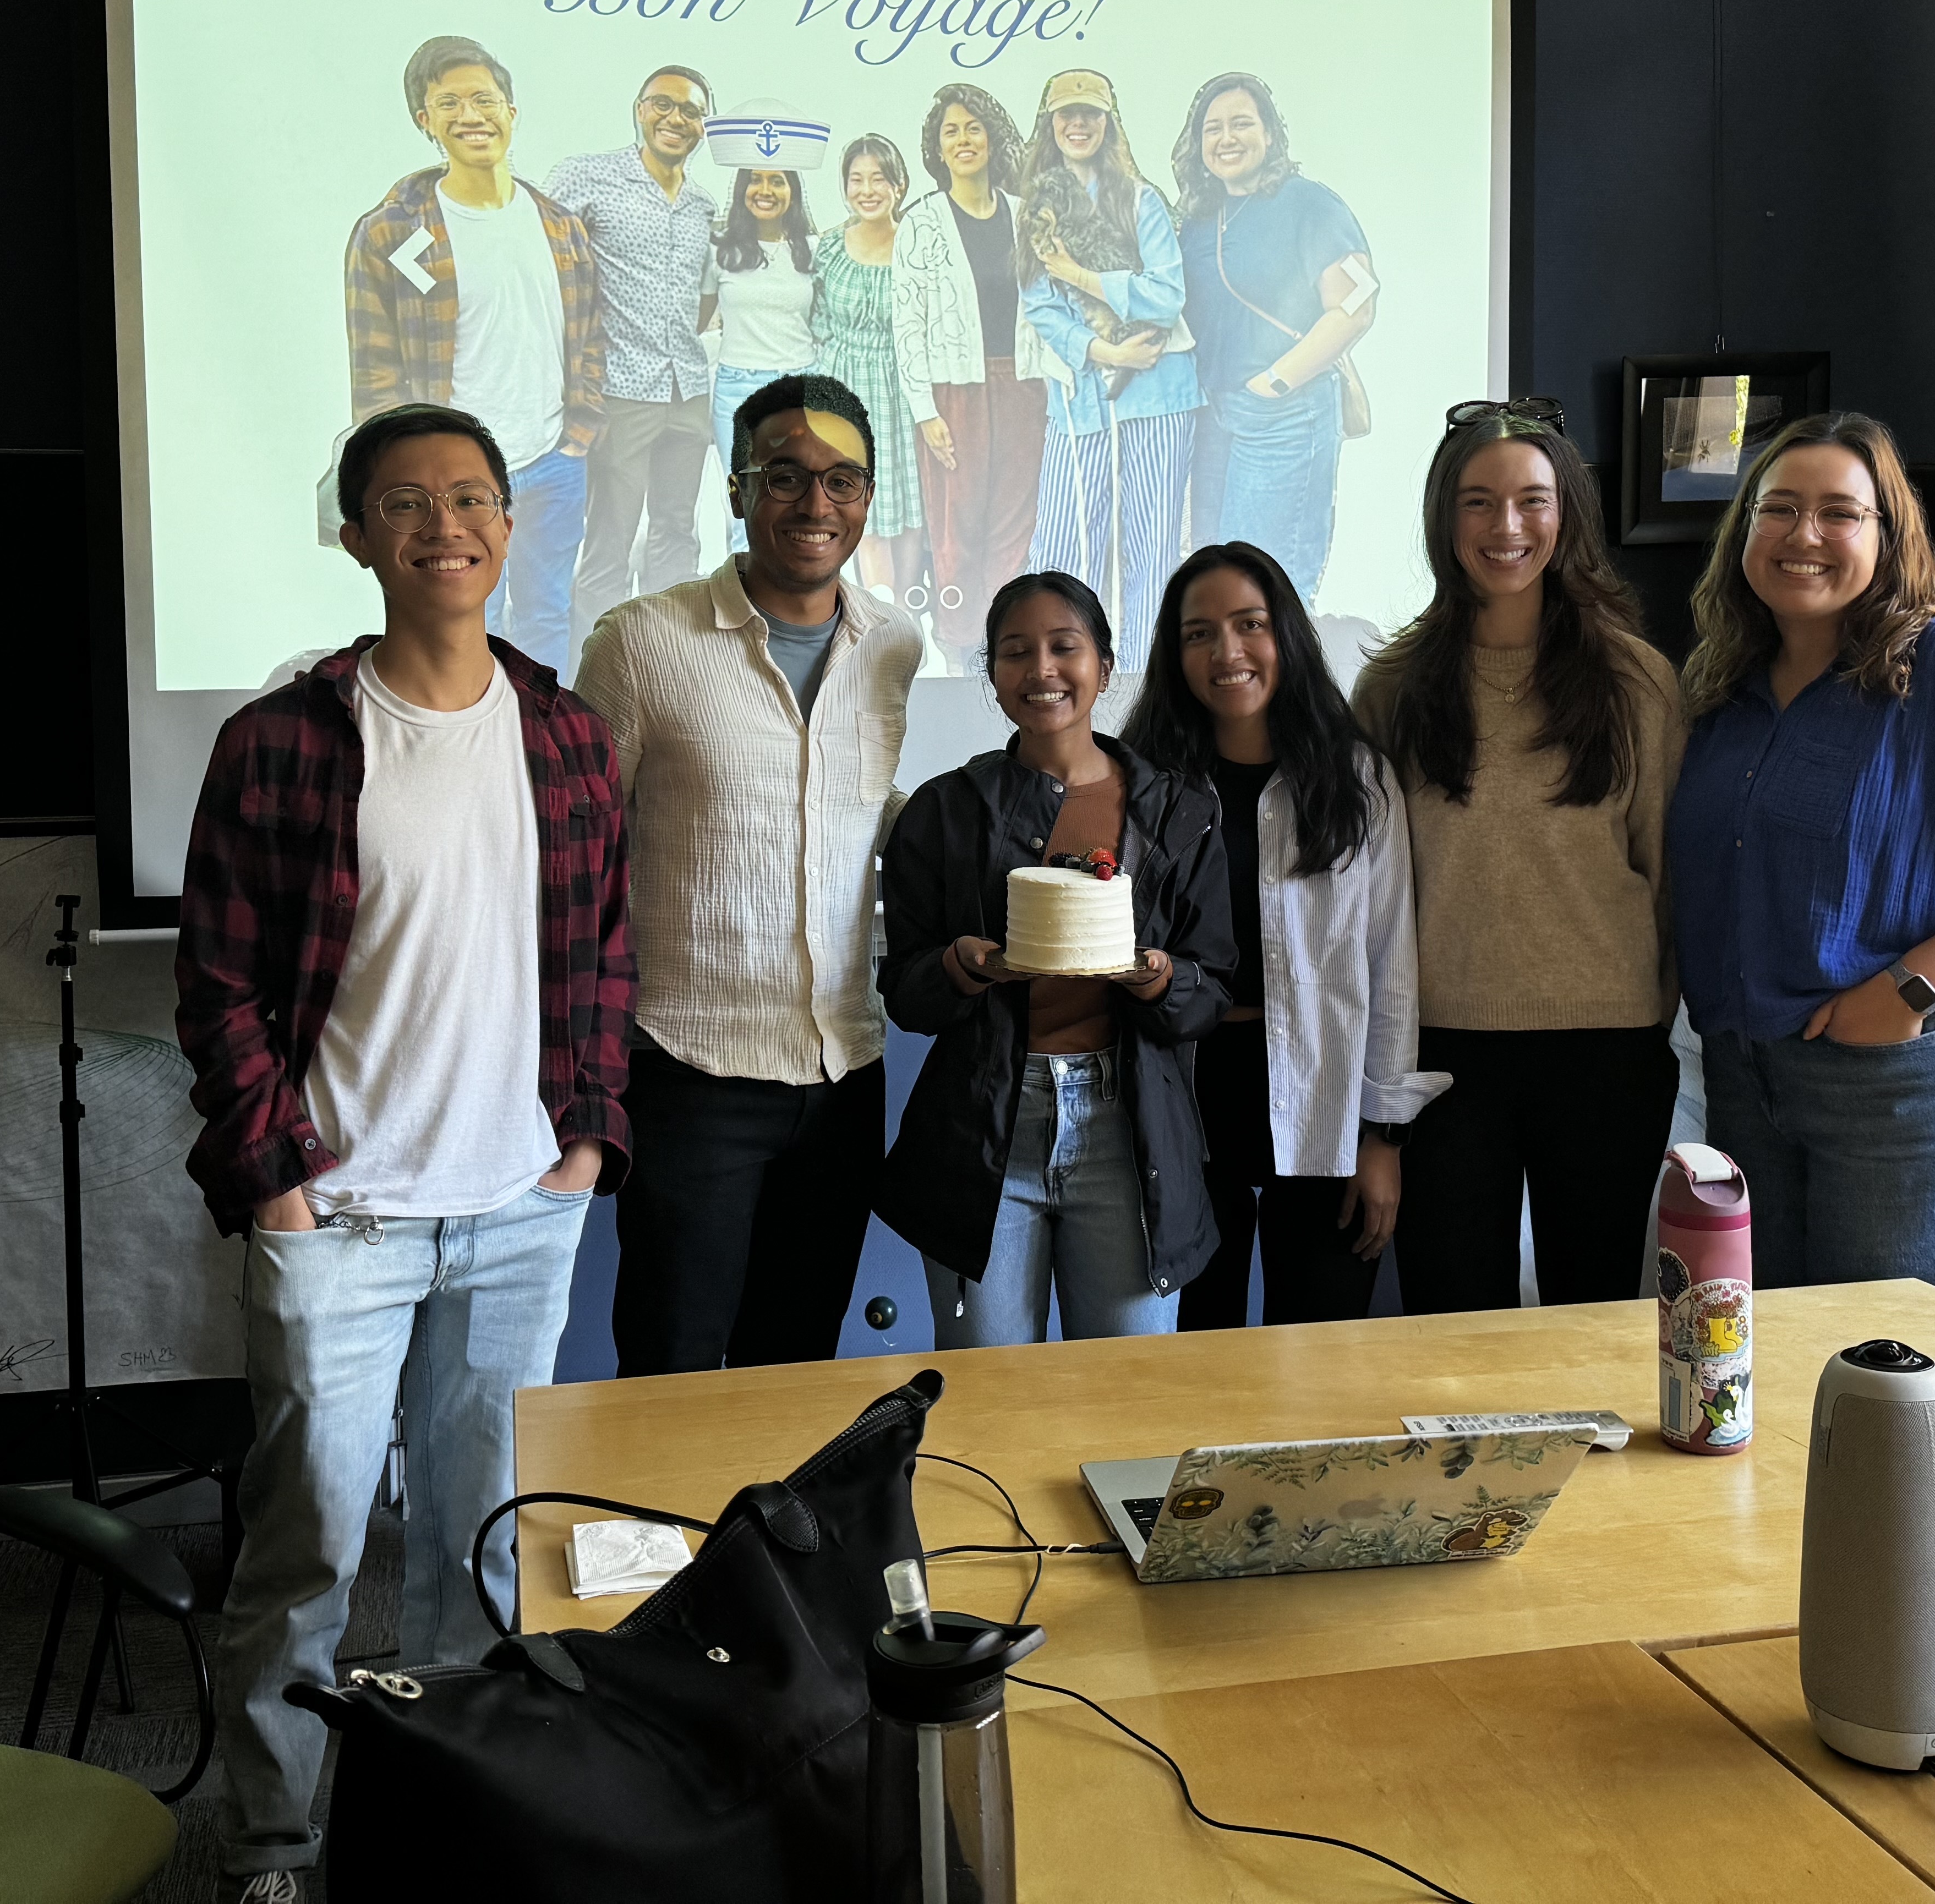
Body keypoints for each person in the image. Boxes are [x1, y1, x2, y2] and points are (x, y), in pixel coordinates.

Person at [173, 401, 632, 1903]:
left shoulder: (566, 729)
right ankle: (278, 1843)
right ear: (357, 531)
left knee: (482, 1548)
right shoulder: (287, 739)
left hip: (520, 1203)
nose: (447, 524)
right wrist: (282, 1181)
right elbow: (221, 984)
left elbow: (605, 961)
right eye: (408, 501)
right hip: (344, 1216)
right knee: (306, 1548)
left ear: (511, 526)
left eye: (473, 498)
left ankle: (451, 1821)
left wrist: (584, 1144)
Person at [1670, 412, 1935, 1323]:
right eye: (1777, 508)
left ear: (1889, 535)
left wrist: (1907, 991)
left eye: (1840, 512)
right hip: (1750, 1083)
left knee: (1918, 1387)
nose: (1804, 534)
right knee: (1789, 1388)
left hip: (1912, 1086)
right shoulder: (1721, 689)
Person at [577, 373, 921, 1374]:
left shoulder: (894, 644)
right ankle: (663, 1540)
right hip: (689, 1076)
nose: (816, 505)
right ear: (735, 488)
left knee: (796, 1370)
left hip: (846, 1071)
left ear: (868, 496)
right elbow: (580, 860)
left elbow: (856, 807)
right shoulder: (642, 642)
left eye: (843, 480)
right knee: (673, 1370)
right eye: (786, 474)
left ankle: (773, 1543)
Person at [1352, 401, 1685, 1312]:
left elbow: (1668, 874)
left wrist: (1649, 1016)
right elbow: (1371, 901)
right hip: (1443, 1058)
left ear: (1567, 512)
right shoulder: (1392, 687)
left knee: (1594, 1312)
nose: (1506, 527)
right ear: (1442, 518)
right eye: (1477, 501)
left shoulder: (1636, 682)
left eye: (1531, 500)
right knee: (1452, 1328)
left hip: (1606, 1051)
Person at [876, 572, 1231, 1345]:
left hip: (1129, 1131)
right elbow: (904, 992)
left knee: (1128, 1393)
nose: (1042, 670)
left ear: (1104, 666)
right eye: (1015, 652)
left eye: (1064, 648)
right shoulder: (946, 811)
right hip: (986, 1129)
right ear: (994, 677)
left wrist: (1162, 977)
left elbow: (1212, 988)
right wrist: (961, 967)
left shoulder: (1178, 810)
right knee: (991, 1393)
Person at [1125, 543, 1443, 1328]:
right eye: (1199, 633)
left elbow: (1388, 966)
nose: (1226, 652)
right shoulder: (1141, 786)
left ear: (1286, 637)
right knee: (1197, 1362)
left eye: (1250, 624)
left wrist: (1383, 1139)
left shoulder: (1356, 780)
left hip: (1322, 1096)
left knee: (1318, 1363)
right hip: (1185, 1103)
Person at [342, 36, 604, 670]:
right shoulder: (390, 232)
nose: (472, 114)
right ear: (424, 120)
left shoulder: (559, 224)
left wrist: (580, 432)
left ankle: (537, 750)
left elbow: (589, 335)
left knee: (546, 614)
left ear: (512, 111)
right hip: (448, 486)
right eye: (449, 102)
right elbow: (374, 374)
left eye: (485, 99)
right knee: (455, 625)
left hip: (552, 464)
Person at [1172, 73, 1375, 604]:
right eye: (1212, 128)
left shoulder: (1310, 203)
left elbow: (1356, 305)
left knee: (1269, 589)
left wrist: (1276, 383)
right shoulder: (1198, 219)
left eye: (1242, 123)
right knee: (1214, 585)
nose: (1227, 138)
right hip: (1213, 419)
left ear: (1270, 134)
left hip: (1286, 417)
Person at [1020, 67, 1198, 670]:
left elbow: (1166, 295)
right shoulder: (1038, 202)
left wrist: (1080, 276)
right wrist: (1106, 354)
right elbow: (1039, 304)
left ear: (1108, 121)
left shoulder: (1140, 198)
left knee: (1151, 543)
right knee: (1067, 542)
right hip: (1081, 396)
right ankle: (1070, 670)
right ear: (1049, 122)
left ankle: (1148, 679)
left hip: (1158, 393)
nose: (1077, 124)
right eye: (1066, 113)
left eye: (1090, 113)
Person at [547, 65, 720, 645]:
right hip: (622, 390)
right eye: (663, 105)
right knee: (612, 536)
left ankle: (667, 656)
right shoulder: (587, 178)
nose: (677, 118)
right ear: (639, 110)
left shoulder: (702, 204)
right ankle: (593, 670)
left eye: (692, 111)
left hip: (688, 389)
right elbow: (547, 266)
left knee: (677, 529)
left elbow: (704, 300)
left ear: (704, 126)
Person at [894, 83, 1059, 648]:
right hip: (953, 391)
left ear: (992, 138)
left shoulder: (1024, 216)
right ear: (937, 149)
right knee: (956, 524)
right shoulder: (922, 221)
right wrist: (924, 410)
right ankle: (963, 644)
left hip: (1022, 383)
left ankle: (1006, 640)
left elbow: (1046, 302)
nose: (964, 140)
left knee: (1016, 519)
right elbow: (907, 324)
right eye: (951, 132)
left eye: (973, 128)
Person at [815, 134, 936, 620]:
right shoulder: (829, 246)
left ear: (900, 185)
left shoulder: (918, 243)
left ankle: (904, 611)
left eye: (879, 179)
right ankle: (876, 615)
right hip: (845, 388)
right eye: (856, 180)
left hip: (901, 384)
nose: (867, 190)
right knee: (857, 499)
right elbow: (819, 318)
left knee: (904, 500)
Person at [700, 166, 819, 551]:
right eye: (755, 179)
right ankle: (745, 606)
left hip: (799, 389)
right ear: (741, 189)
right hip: (739, 391)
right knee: (746, 508)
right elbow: (699, 320)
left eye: (777, 181)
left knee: (799, 504)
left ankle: (792, 603)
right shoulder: (720, 251)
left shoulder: (812, 250)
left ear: (793, 191)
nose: (765, 190)